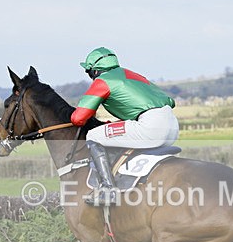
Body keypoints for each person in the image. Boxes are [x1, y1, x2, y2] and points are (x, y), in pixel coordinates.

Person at [71, 47, 179, 206]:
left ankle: (108, 190)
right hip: (172, 126)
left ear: (94, 71)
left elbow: (78, 118)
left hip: (150, 126)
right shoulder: (134, 75)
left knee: (93, 136)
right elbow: (171, 101)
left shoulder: (103, 81)